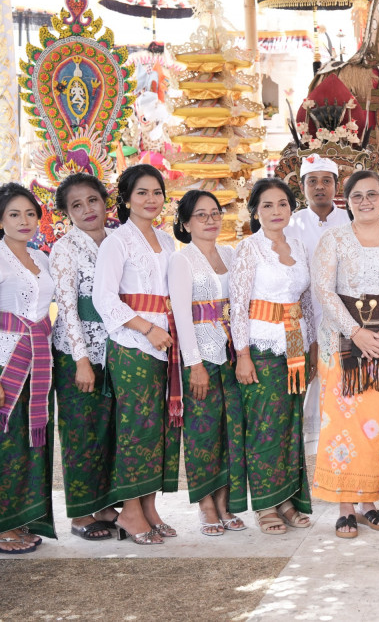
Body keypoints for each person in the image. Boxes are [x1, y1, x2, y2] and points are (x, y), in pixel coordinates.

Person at [312, 170, 379, 538]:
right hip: (342, 343)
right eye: (357, 196)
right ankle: (345, 505)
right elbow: (324, 291)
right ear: (347, 201)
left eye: (372, 194)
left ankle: (369, 501)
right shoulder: (334, 239)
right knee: (341, 424)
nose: (365, 201)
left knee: (376, 424)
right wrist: (355, 332)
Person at [94, 164, 180, 545]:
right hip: (132, 345)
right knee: (134, 426)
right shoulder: (117, 242)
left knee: (156, 427)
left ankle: (148, 506)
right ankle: (130, 510)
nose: (151, 199)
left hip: (165, 345)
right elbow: (104, 298)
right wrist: (147, 328)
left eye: (157, 192)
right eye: (142, 192)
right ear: (126, 200)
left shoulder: (167, 241)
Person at [230, 178, 315, 536]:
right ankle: (266, 504)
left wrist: (312, 346)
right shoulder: (249, 249)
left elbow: (306, 301)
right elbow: (238, 305)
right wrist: (242, 355)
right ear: (255, 211)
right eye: (267, 205)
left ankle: (288, 500)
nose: (276, 211)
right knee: (265, 425)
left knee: (290, 425)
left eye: (282, 204)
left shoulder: (299, 246)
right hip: (262, 345)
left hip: (295, 344)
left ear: (291, 208)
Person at [168, 190, 246, 536]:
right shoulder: (182, 260)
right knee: (203, 430)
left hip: (232, 353)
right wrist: (194, 363)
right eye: (201, 215)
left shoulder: (230, 253)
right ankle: (206, 505)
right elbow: (182, 315)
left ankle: (225, 501)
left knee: (231, 428)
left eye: (215, 213)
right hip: (201, 354)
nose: (211, 220)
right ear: (186, 223)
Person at [50, 174, 118, 541]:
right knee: (81, 432)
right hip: (78, 353)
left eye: (92, 200)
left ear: (105, 201)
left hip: (116, 348)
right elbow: (68, 308)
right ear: (67, 213)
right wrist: (81, 361)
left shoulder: (118, 240)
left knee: (108, 429)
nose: (87, 209)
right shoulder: (65, 249)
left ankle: (104, 506)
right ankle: (80, 514)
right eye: (76, 205)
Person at [0, 184, 55, 554]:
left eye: (30, 214)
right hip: (6, 360)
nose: (24, 221)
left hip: (39, 361)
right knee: (6, 444)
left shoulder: (41, 258)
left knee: (27, 444)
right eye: (14, 214)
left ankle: (20, 518)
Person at [283, 153, 342, 454]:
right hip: (298, 318)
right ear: (302, 186)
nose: (320, 187)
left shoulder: (350, 220)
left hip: (342, 317)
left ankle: (336, 449)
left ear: (336, 186)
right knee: (301, 380)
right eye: (313, 181)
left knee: (338, 382)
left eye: (326, 181)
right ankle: (302, 453)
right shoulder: (289, 224)